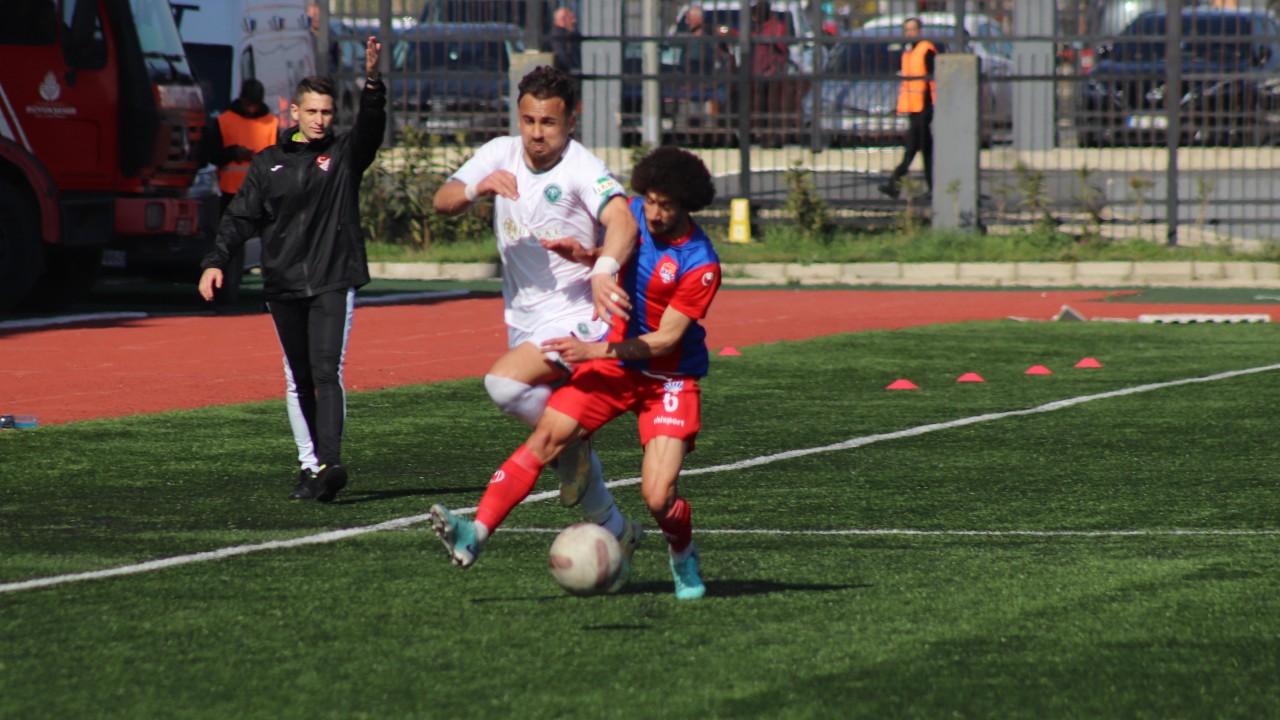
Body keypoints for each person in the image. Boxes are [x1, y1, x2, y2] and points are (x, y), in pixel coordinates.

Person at [429, 146, 722, 601]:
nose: (654, 213)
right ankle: (475, 533)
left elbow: (666, 340)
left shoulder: (700, 263)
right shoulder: (635, 214)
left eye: (666, 205)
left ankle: (682, 552)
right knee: (546, 439)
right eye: (651, 200)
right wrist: (587, 256)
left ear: (688, 206)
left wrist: (593, 349)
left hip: (668, 378)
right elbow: (619, 256)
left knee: (659, 496)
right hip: (615, 366)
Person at [430, 65, 643, 584]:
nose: (536, 133)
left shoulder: (581, 166)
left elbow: (622, 220)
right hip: (524, 321)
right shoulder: (499, 153)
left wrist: (603, 269)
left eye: (548, 122)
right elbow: (442, 200)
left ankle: (573, 447)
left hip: (577, 319)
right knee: (557, 436)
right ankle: (616, 528)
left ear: (571, 121)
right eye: (528, 120)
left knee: (502, 383)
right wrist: (477, 187)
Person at [197, 37, 386, 503]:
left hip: (332, 278)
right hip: (282, 284)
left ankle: (330, 464)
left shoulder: (344, 155)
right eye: (313, 111)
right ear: (295, 112)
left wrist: (372, 82)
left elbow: (370, 128)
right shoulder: (268, 163)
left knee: (326, 371)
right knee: (297, 377)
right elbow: (240, 216)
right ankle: (309, 465)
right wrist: (215, 261)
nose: (321, 119)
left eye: (328, 112)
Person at [879, 17, 937, 199]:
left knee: (912, 148)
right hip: (913, 108)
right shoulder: (909, 52)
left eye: (913, 29)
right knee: (925, 150)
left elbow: (933, 78)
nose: (910, 33)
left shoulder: (926, 50)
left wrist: (932, 103)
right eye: (907, 30)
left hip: (924, 107)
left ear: (920, 30)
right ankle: (933, 188)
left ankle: (894, 184)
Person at [207, 79, 280, 216]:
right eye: (248, 104)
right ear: (241, 98)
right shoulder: (224, 121)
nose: (251, 109)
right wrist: (234, 152)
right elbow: (213, 156)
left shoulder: (272, 123)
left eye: (255, 105)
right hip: (231, 193)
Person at [750, 0, 791, 146]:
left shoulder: (776, 27)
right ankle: (760, 134)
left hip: (772, 72)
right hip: (759, 73)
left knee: (772, 105)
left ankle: (773, 136)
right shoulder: (758, 28)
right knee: (759, 104)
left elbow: (782, 48)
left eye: (756, 13)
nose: (753, 17)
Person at [547, 6, 581, 77]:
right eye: (571, 18)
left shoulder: (566, 34)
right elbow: (561, 56)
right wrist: (572, 69)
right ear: (562, 20)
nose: (574, 21)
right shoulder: (559, 35)